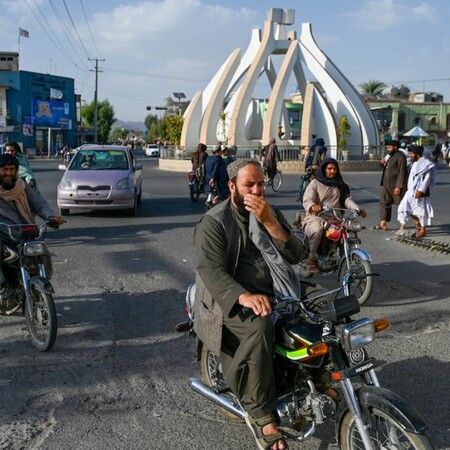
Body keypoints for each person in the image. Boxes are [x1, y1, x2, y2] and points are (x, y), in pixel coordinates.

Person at [194, 159, 307, 450]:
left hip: (278, 288)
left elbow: (296, 255)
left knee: (321, 313)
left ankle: (319, 376)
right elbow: (210, 270)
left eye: (260, 184)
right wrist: (243, 296)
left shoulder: (270, 212)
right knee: (258, 328)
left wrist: (270, 221)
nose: (257, 190)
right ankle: (260, 415)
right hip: (231, 296)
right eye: (249, 185)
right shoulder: (215, 221)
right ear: (232, 186)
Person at [0, 154, 64, 293]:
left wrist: (51, 216)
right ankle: (3, 287)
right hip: (3, 235)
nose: (8, 173)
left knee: (40, 251)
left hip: (24, 231)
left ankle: (39, 282)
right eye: (4, 169)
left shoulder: (21, 186)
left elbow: (39, 203)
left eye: (12, 169)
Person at [302, 158, 366, 272]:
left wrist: (357, 209)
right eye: (329, 169)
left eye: (335, 169)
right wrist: (313, 206)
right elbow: (307, 199)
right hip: (317, 216)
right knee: (317, 230)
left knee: (349, 229)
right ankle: (310, 258)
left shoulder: (339, 185)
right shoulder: (315, 183)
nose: (332, 171)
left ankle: (345, 257)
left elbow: (346, 200)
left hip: (336, 217)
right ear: (324, 170)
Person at [396, 145, 436, 239]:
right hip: (410, 191)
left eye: (411, 153)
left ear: (417, 153)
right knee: (403, 208)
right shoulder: (414, 163)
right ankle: (402, 227)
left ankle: (423, 229)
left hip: (420, 193)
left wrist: (421, 190)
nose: (410, 155)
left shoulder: (427, 164)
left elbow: (427, 179)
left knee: (420, 211)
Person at [373, 140, 407, 231]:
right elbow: (385, 167)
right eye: (387, 147)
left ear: (395, 147)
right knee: (384, 203)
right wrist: (382, 163)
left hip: (395, 186)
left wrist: (398, 186)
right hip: (386, 185)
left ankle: (403, 225)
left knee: (401, 205)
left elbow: (402, 172)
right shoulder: (389, 156)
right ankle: (383, 223)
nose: (388, 149)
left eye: (389, 147)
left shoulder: (401, 157)